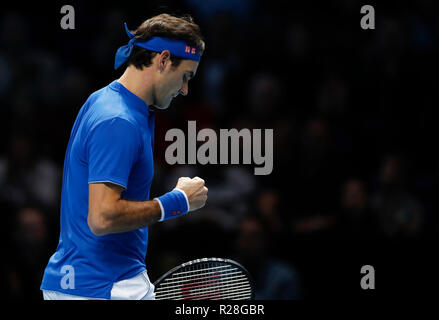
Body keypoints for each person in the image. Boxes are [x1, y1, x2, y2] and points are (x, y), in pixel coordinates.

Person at [40, 13, 208, 300]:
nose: (184, 89)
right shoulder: (119, 120)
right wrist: (177, 202)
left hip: (88, 283)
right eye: (185, 77)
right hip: (105, 287)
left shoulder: (106, 100)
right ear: (163, 60)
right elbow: (102, 218)